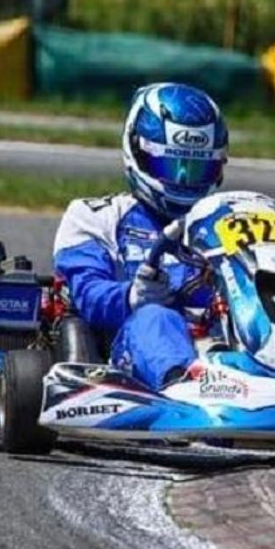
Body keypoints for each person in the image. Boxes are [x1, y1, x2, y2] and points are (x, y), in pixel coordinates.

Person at [53, 83, 227, 389]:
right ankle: (182, 391)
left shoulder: (228, 223)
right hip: (130, 351)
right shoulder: (95, 217)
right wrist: (131, 297)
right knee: (157, 317)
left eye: (197, 168)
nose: (183, 179)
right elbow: (88, 295)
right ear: (138, 153)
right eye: (171, 165)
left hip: (218, 345)